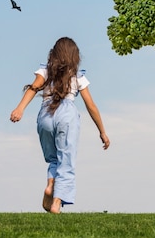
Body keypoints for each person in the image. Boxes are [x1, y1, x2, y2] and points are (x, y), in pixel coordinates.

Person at [10, 37, 110, 214]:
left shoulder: (45, 71)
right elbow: (91, 105)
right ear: (74, 56)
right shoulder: (78, 76)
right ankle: (56, 202)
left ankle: (50, 185)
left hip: (46, 114)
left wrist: (20, 109)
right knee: (66, 160)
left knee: (53, 158)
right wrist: (102, 131)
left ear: (54, 53)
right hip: (67, 115)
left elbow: (33, 88)